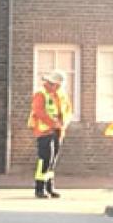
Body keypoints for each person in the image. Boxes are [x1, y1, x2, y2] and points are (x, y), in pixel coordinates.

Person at [28, 70, 73, 198]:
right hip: (44, 131)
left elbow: (68, 109)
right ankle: (39, 188)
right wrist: (53, 123)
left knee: (52, 160)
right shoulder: (40, 94)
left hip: (58, 131)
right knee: (44, 159)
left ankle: (49, 186)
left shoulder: (61, 94)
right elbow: (39, 112)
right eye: (55, 85)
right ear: (50, 83)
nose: (57, 87)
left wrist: (64, 123)